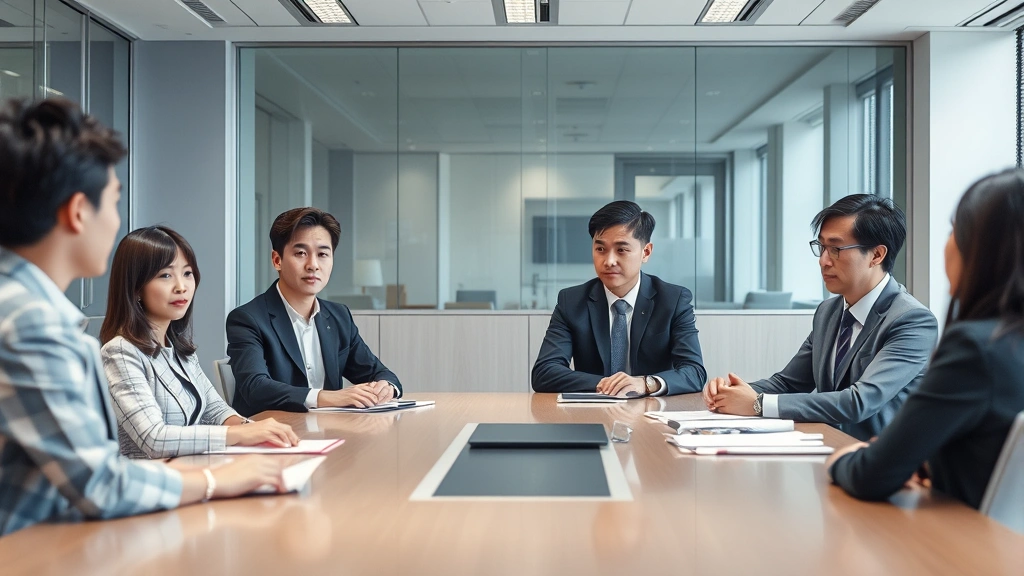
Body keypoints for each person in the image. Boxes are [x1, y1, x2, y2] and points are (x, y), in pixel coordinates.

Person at [0, 97, 284, 536]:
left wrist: (243, 435)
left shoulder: (23, 308)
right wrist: (214, 481)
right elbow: (99, 481)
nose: (115, 222)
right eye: (113, 202)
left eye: (187, 274)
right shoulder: (30, 324)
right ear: (78, 212)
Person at [827, 170, 1024, 509]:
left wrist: (843, 458)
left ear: (985, 249)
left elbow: (871, 475)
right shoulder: (1007, 343)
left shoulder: (974, 348)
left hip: (969, 543)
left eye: (954, 230)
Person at [703, 195, 938, 440]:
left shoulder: (912, 320)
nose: (823, 261)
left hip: (878, 461)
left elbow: (858, 402)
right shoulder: (828, 311)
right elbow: (789, 383)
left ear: (876, 255)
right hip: (825, 448)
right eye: (822, 247)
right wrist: (733, 392)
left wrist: (758, 405)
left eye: (836, 249)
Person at [100, 226, 299, 459]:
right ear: (135, 288)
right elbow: (153, 439)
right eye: (165, 275)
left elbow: (216, 410)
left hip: (194, 471)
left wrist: (254, 429)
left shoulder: (179, 350)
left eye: (187, 273)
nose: (181, 287)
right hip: (155, 486)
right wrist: (241, 435)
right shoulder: (120, 352)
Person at [227, 207, 402, 416]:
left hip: (329, 433)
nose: (313, 265)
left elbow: (377, 372)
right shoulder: (248, 319)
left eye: (322, 254)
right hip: (274, 437)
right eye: (301, 253)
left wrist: (386, 386)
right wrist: (327, 397)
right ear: (277, 260)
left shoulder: (338, 316)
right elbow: (255, 387)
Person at [532, 200, 706, 396]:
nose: (609, 261)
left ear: (645, 252)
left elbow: (694, 372)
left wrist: (646, 384)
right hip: (593, 416)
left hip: (653, 414)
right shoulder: (571, 301)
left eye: (621, 250)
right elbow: (544, 372)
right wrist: (610, 384)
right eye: (600, 249)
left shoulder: (672, 300)